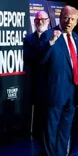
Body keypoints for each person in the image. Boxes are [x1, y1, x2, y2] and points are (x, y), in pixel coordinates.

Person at [38, 5, 78, 156]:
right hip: (54, 93)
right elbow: (41, 60)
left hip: (72, 93)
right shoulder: (49, 35)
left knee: (65, 132)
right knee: (51, 132)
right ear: (60, 17)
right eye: (66, 18)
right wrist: (50, 43)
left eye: (72, 19)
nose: (68, 22)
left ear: (77, 21)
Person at [23, 11, 50, 139]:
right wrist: (47, 47)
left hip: (51, 80)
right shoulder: (29, 39)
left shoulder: (54, 36)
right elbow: (30, 57)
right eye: (38, 20)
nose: (40, 22)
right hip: (36, 80)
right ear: (34, 22)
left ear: (48, 21)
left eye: (43, 20)